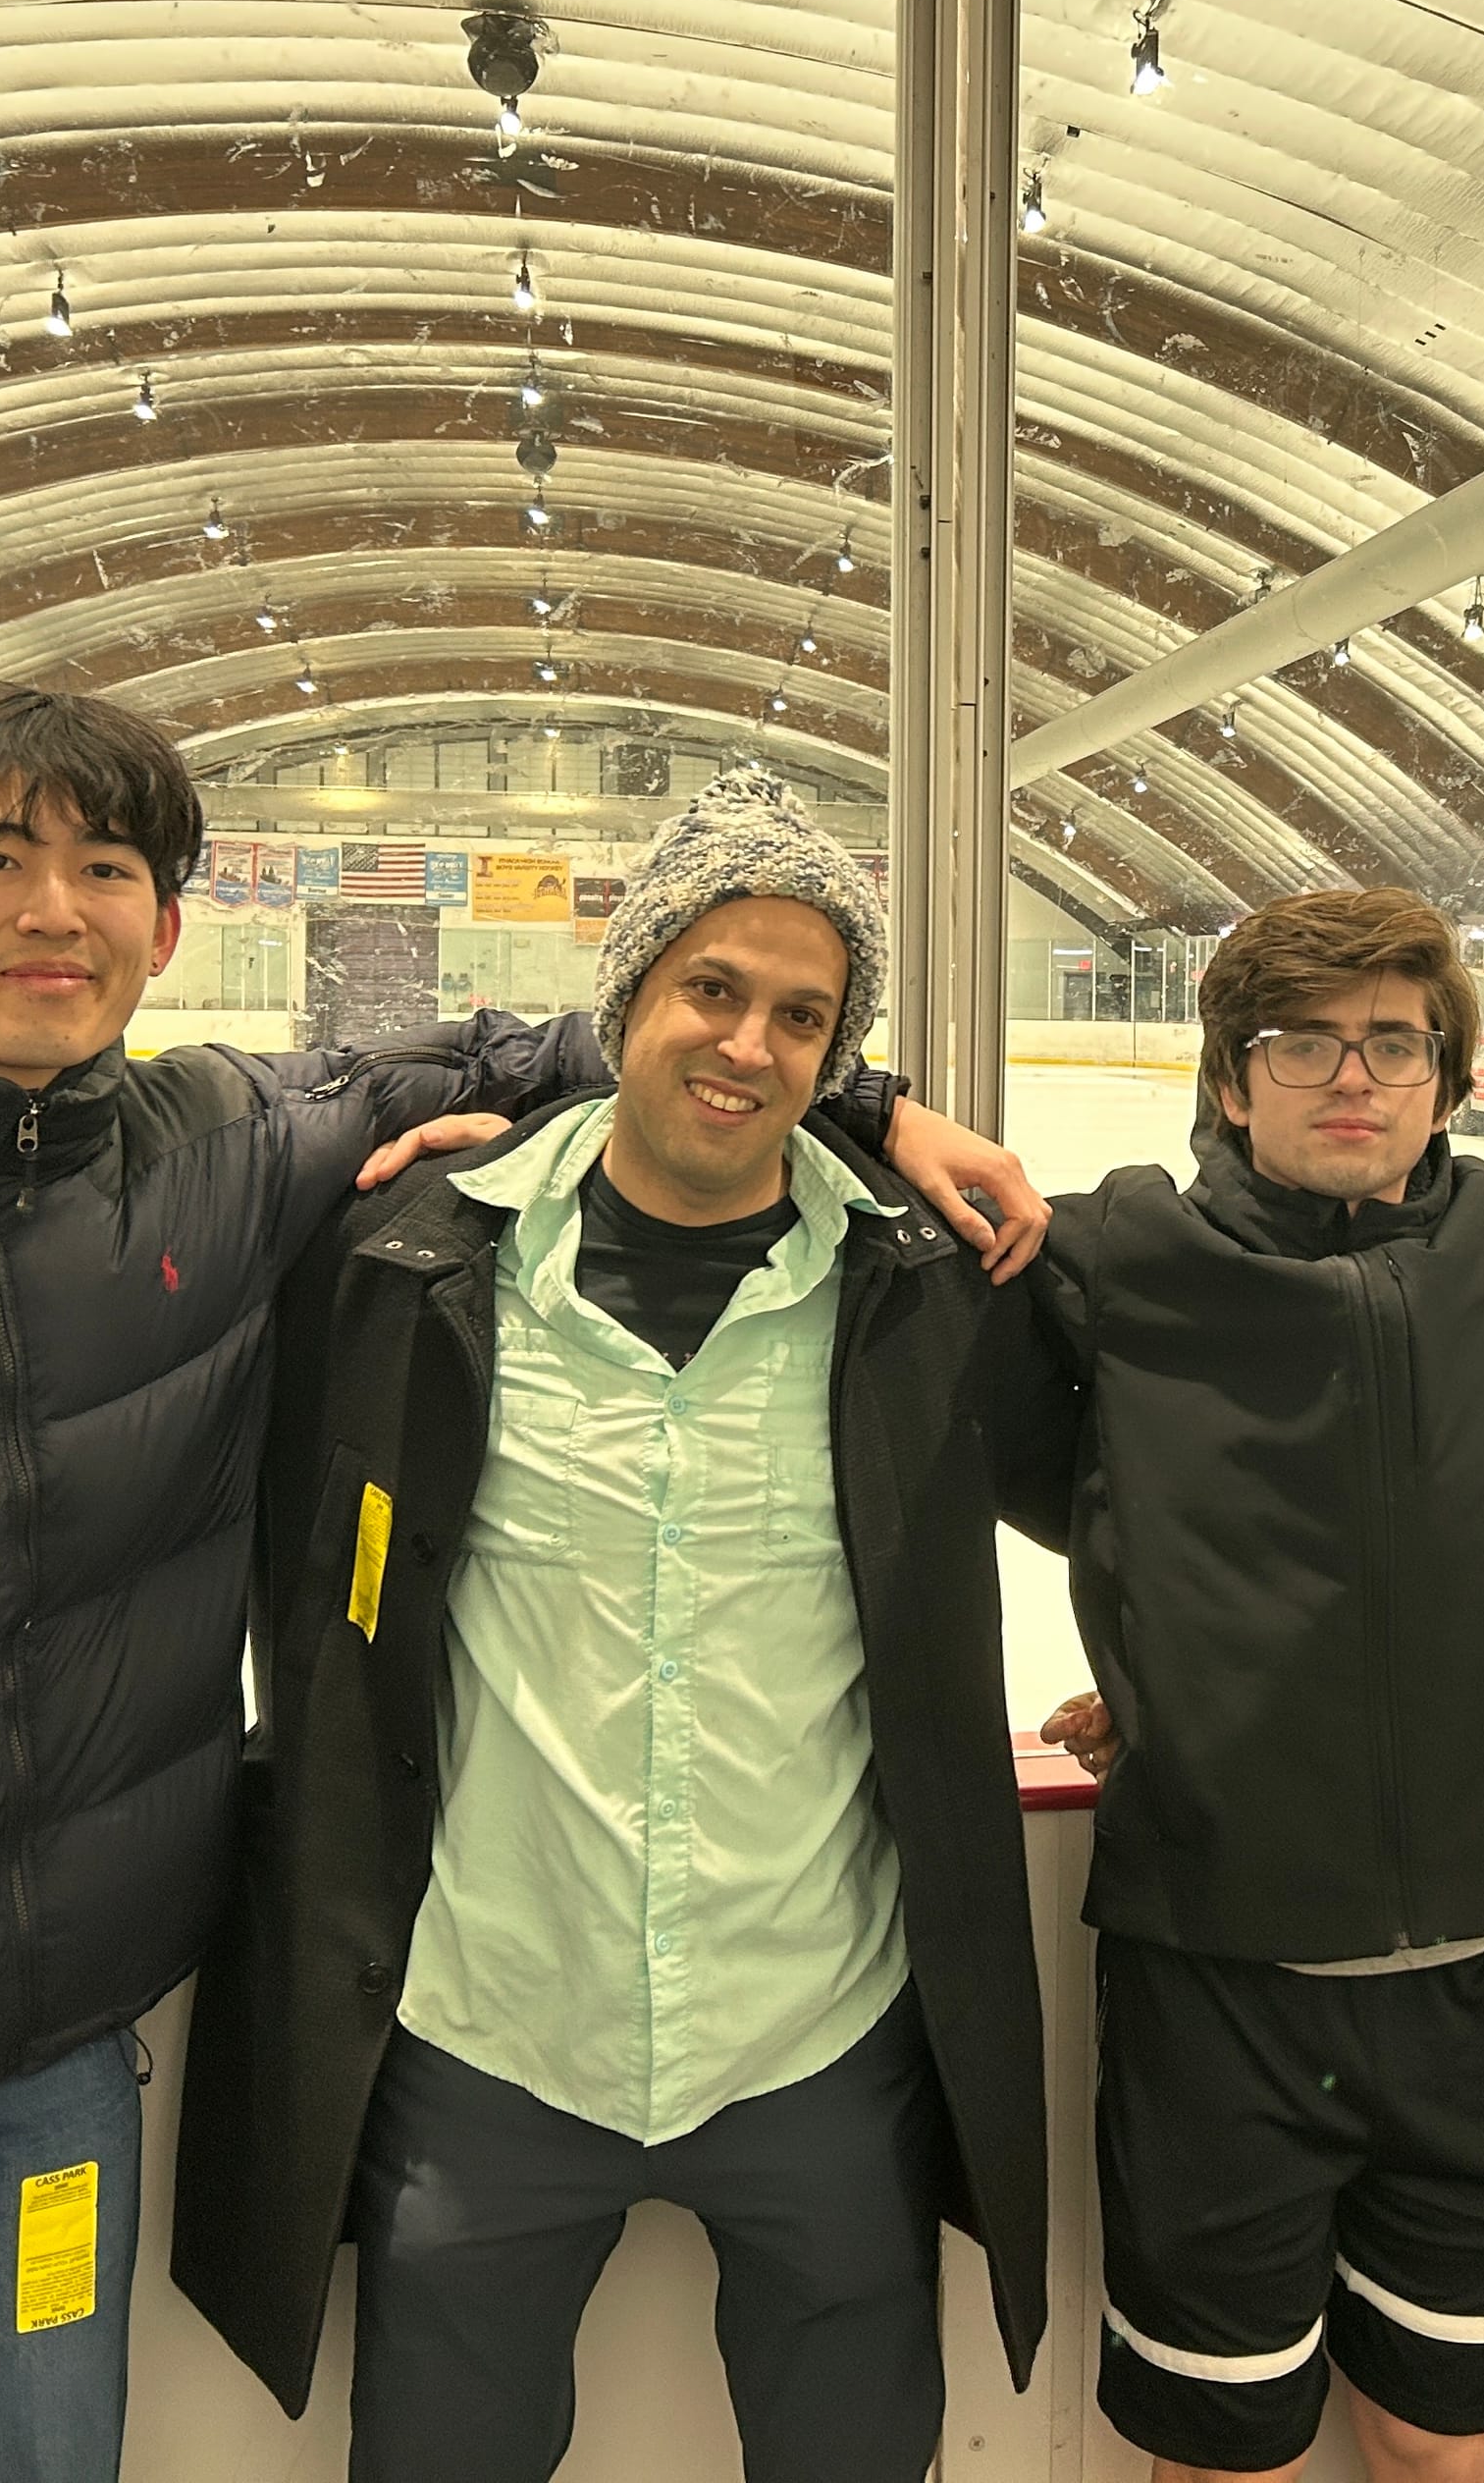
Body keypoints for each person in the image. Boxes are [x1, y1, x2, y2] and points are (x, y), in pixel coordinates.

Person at [0, 686, 1029, 2482]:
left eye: (106, 871)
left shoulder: (218, 1161)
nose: (51, 911)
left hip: (36, 2094)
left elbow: (557, 1046)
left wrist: (872, 1103)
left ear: (168, 930)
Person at [168, 767, 1078, 2483]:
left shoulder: (921, 1294)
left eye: (802, 1018)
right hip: (488, 2031)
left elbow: (1145, 1483)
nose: (747, 1046)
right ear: (630, 999)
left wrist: (1163, 1692)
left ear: (840, 1059)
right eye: (711, 990)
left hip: (815, 2032)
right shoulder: (401, 1264)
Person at [1036, 886, 1484, 2483]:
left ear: (1449, 1076)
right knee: (1225, 2455)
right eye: (1301, 1044)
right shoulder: (1116, 1256)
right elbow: (1002, 1431)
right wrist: (1160, 1636)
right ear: (1231, 1081)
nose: (1353, 1079)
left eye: (1395, 1043)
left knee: (1442, 2441)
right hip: (1217, 1991)